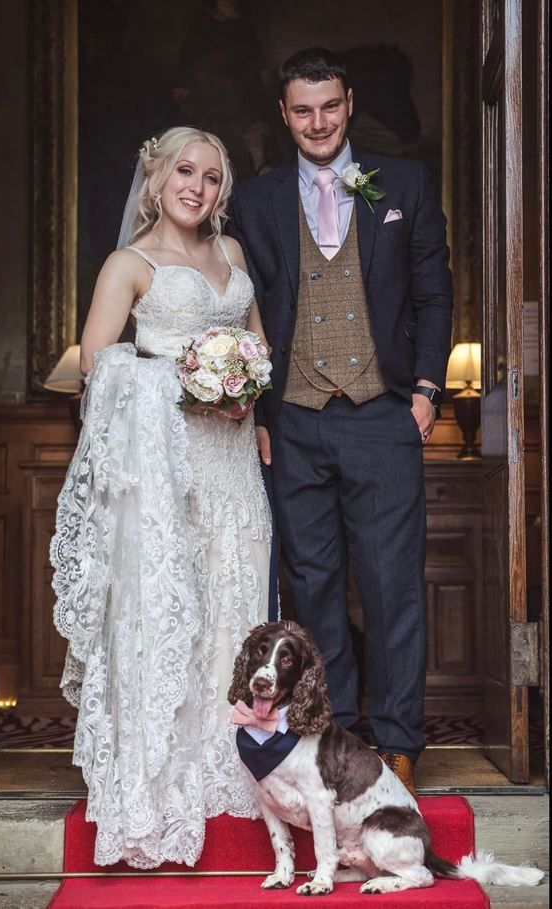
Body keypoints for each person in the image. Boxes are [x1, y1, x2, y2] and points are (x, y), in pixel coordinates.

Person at [229, 47, 453, 797]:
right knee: (313, 584)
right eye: (302, 109)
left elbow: (433, 293)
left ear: (349, 102)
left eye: (329, 106)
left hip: (384, 412)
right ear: (285, 114)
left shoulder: (407, 182)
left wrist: (425, 391)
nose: (317, 122)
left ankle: (396, 741)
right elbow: (244, 307)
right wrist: (257, 408)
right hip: (293, 418)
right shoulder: (257, 201)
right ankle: (334, 733)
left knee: (391, 584)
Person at [50, 126, 272, 867]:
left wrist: (245, 388)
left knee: (235, 602)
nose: (198, 188)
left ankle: (234, 763)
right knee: (179, 610)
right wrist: (187, 383)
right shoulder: (129, 263)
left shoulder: (234, 256)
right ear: (155, 178)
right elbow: (98, 369)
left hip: (234, 464)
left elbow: (257, 346)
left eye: (212, 177)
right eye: (185, 171)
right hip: (169, 467)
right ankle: (164, 779)